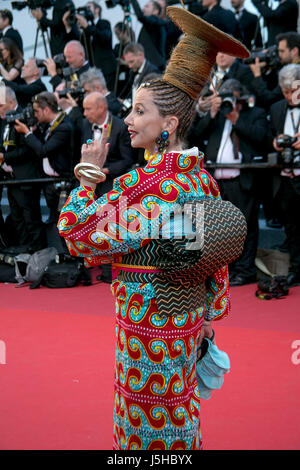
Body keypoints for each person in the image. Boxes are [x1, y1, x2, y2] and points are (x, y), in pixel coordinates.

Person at [58, 6, 248, 449]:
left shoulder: (151, 186)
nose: (128, 120)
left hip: (147, 323)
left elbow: (76, 233)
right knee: (180, 410)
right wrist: (205, 320)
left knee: (147, 425)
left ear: (169, 123)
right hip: (186, 319)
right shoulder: (199, 177)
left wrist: (87, 173)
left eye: (140, 111)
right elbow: (213, 263)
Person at [191, 79, 268, 286]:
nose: (227, 102)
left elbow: (261, 138)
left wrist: (236, 118)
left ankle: (245, 270)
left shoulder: (255, 114)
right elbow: (196, 134)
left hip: (242, 181)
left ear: (240, 97)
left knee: (246, 228)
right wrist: (212, 113)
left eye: (231, 97)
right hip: (218, 183)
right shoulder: (216, 117)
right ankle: (229, 269)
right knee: (222, 229)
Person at [14, 92, 74, 225]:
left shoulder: (63, 127)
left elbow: (43, 150)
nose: (34, 115)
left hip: (62, 183)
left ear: (46, 110)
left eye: (36, 111)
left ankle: (62, 247)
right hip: (50, 183)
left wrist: (27, 133)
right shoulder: (49, 125)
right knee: (55, 221)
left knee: (64, 224)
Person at [0, 87, 45, 253]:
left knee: (30, 218)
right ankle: (23, 251)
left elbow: (28, 149)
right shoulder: (5, 120)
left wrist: (5, 157)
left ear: (12, 102)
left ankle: (38, 253)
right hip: (10, 178)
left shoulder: (25, 117)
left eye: (0, 106)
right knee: (17, 217)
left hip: (26, 177)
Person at [269, 64, 300, 286]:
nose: (288, 96)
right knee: (291, 227)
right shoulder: (276, 108)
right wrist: (274, 144)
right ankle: (296, 269)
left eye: (292, 91)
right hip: (286, 177)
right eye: (284, 91)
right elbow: (266, 139)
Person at [250, 31, 300, 110]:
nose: (279, 55)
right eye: (278, 51)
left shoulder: (293, 74)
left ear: (294, 51)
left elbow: (269, 99)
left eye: (282, 51)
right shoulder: (283, 66)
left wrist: (257, 75)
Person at [76, 1, 117, 92]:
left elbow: (104, 37)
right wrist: (81, 31)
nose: (87, 11)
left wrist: (87, 26)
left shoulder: (104, 23)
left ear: (97, 10)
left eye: (89, 8)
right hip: (93, 70)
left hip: (107, 69)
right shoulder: (87, 28)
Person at [129, 0, 167, 71]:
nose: (143, 9)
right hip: (152, 65)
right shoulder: (151, 24)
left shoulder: (155, 21)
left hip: (154, 66)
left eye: (146, 6)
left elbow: (140, 17)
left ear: (155, 11)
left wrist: (133, 2)